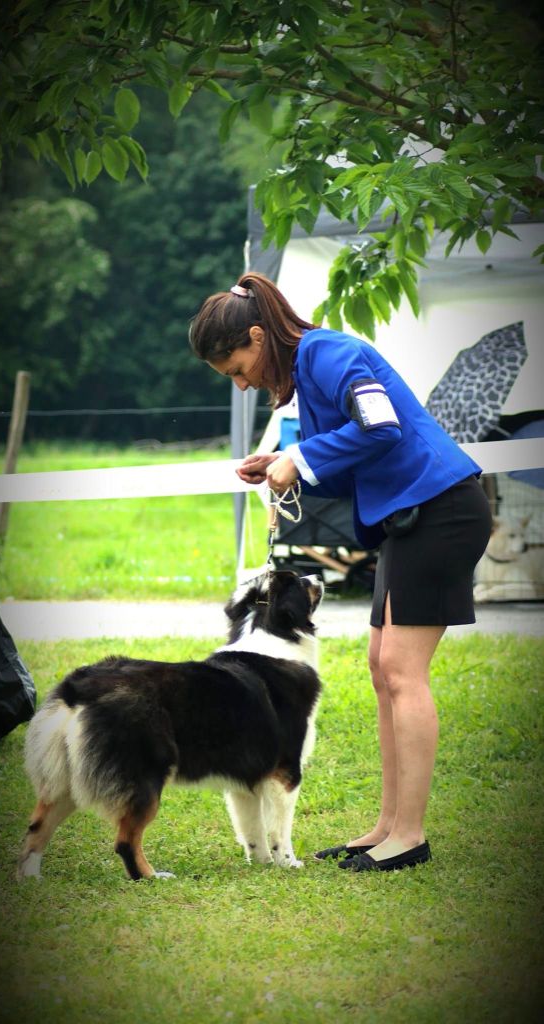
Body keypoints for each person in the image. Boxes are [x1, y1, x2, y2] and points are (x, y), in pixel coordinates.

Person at [189, 272, 492, 873]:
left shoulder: (332, 353)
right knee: (383, 669)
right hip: (409, 519)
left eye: (238, 369)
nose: (244, 384)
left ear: (257, 336)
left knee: (403, 674)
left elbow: (383, 427)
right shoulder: (308, 372)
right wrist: (286, 461)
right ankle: (385, 826)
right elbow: (359, 450)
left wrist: (300, 457)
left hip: (441, 512)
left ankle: (409, 836)